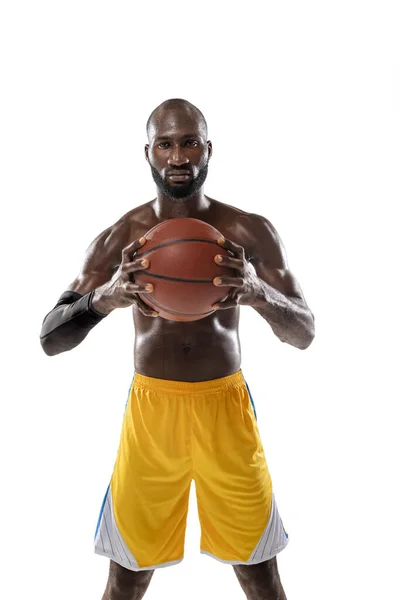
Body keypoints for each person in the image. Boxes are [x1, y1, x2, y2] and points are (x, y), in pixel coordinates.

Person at [40, 98, 315, 600]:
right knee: (127, 576)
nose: (178, 156)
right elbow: (50, 339)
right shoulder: (121, 239)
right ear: (147, 153)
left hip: (225, 408)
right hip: (153, 411)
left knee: (258, 571)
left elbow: (303, 332)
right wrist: (105, 299)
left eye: (189, 142)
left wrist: (258, 292)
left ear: (208, 149)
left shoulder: (249, 232)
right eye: (165, 144)